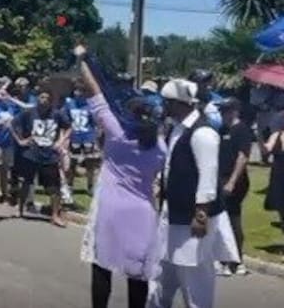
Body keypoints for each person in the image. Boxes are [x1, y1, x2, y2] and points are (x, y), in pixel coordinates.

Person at [76, 46, 165, 308]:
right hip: (143, 211)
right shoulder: (161, 146)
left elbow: (95, 93)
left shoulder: (117, 135)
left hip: (111, 209)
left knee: (102, 265)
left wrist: (82, 59)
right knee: (138, 273)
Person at [147, 78, 240, 308]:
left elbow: (208, 176)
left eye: (167, 102)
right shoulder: (178, 128)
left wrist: (201, 215)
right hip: (173, 213)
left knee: (194, 277)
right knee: (160, 273)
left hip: (193, 218)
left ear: (179, 103)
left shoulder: (203, 132)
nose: (163, 107)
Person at [14, 88, 71, 226]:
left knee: (54, 187)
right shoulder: (29, 113)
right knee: (26, 183)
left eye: (46, 98)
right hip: (31, 154)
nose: (44, 100)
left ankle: (55, 215)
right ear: (37, 99)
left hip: (49, 155)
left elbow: (69, 127)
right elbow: (13, 124)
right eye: (41, 97)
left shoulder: (57, 114)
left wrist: (61, 141)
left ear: (51, 101)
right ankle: (19, 209)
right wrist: (20, 140)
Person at [216, 98, 253, 276]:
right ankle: (223, 259)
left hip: (235, 181)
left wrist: (232, 181)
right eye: (221, 111)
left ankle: (237, 260)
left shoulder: (242, 130)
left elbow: (243, 157)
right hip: (220, 179)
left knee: (232, 220)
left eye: (226, 110)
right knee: (221, 221)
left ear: (235, 111)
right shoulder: (221, 130)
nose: (223, 114)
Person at [64, 83, 100, 204]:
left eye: (81, 91)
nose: (78, 93)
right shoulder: (69, 103)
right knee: (72, 163)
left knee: (90, 163)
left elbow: (95, 122)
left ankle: (90, 186)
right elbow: (65, 119)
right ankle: (70, 185)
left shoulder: (90, 105)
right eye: (76, 90)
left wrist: (95, 137)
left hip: (88, 136)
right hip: (74, 136)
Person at [262, 120, 284, 246]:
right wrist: (263, 143)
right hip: (280, 172)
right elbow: (267, 148)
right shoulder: (278, 132)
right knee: (281, 208)